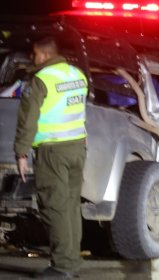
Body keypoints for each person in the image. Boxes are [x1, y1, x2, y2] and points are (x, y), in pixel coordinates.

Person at [14, 37, 88, 279]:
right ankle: (71, 262)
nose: (33, 59)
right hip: (77, 148)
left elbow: (28, 120)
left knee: (54, 208)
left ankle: (62, 267)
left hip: (52, 152)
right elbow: (78, 109)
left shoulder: (41, 80)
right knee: (70, 207)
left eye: (35, 54)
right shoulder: (77, 75)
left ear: (44, 55)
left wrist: (21, 152)